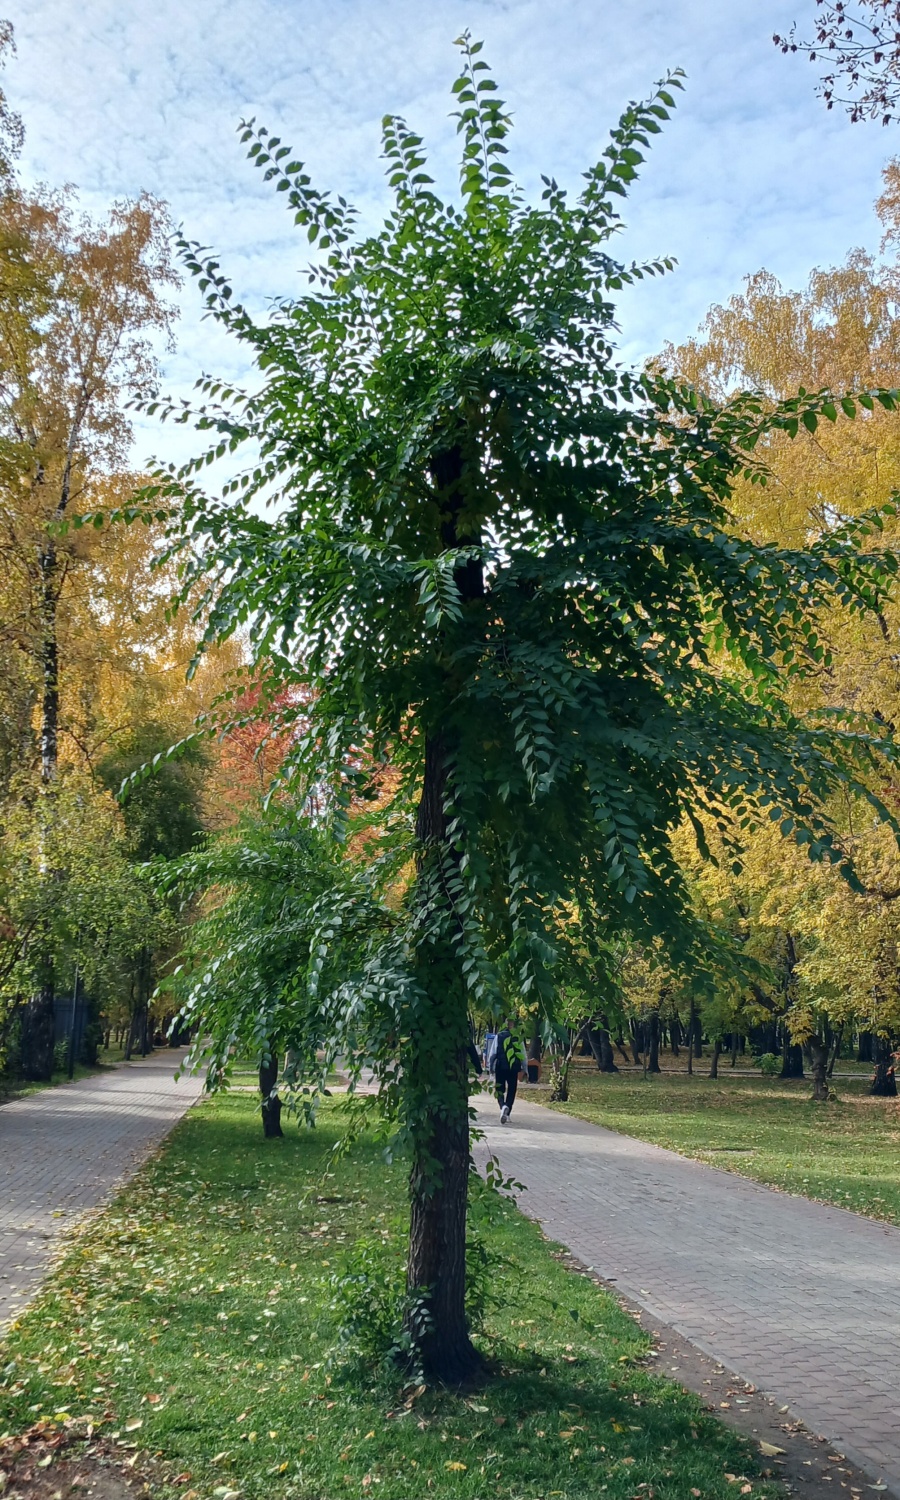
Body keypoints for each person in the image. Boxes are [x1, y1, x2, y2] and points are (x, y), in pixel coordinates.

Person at [492, 1017, 526, 1124]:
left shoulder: (499, 1036)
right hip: (513, 1067)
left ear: (505, 1024)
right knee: (512, 1090)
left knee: (499, 1089)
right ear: (514, 1025)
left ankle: (502, 1106)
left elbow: (493, 1053)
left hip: (500, 1067)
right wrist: (525, 1069)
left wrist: (490, 1067)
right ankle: (507, 1111)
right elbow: (523, 1055)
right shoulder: (518, 1038)